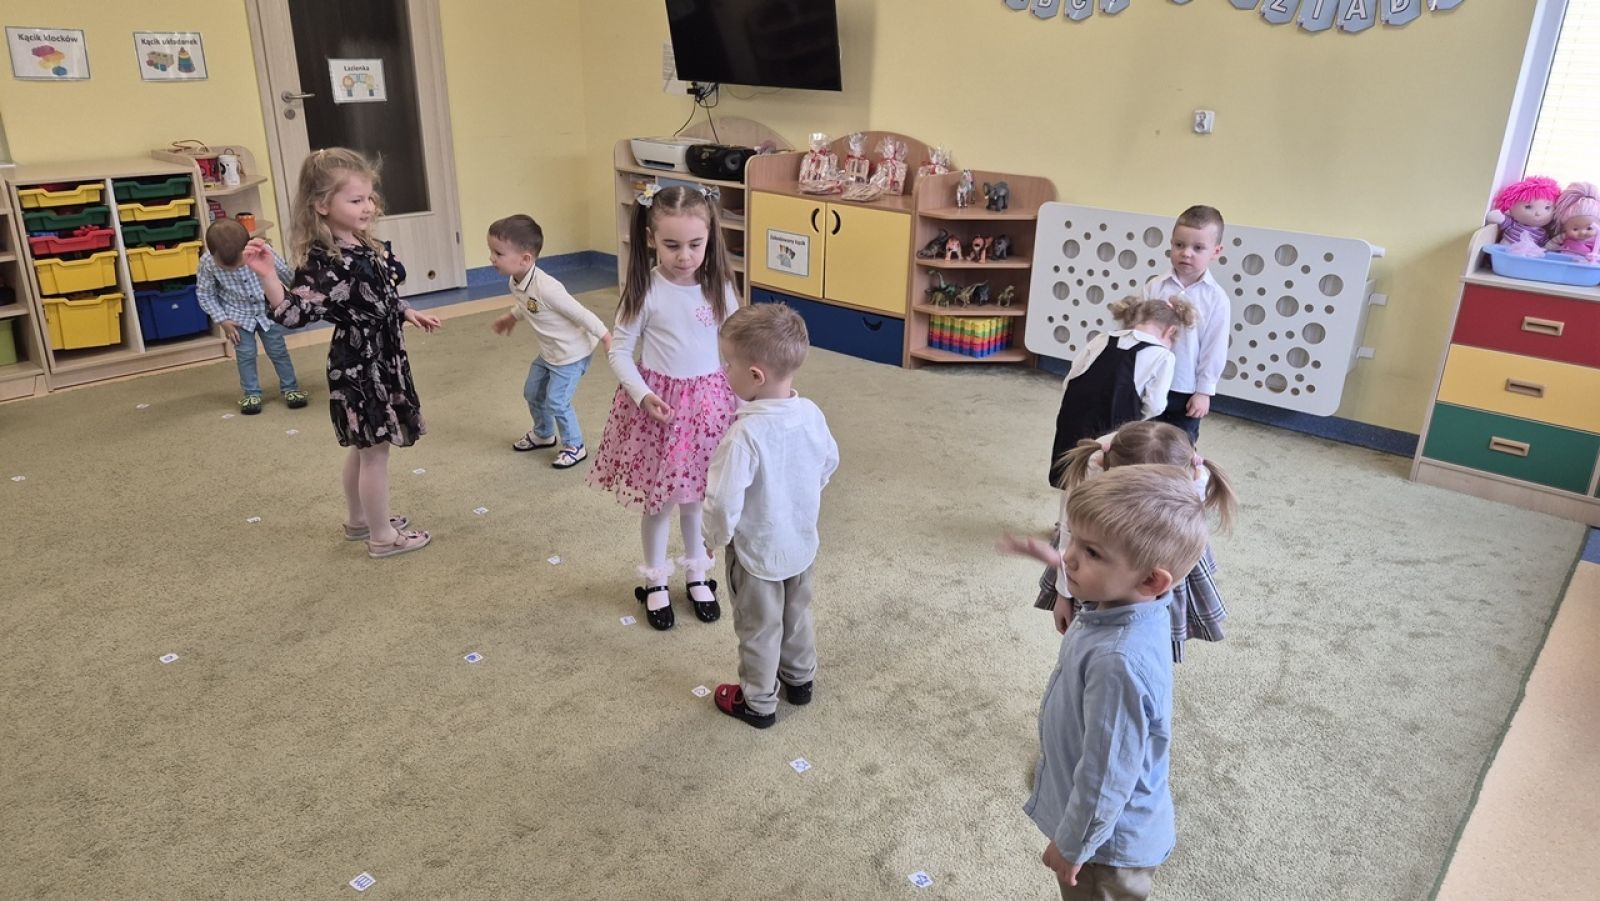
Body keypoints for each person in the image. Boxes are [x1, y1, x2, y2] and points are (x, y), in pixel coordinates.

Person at [1020, 465, 1212, 899]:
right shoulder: (1130, 603)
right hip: (1099, 834)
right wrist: (1073, 560)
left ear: (1150, 579)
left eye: (1091, 552)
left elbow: (1107, 774)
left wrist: (1073, 845)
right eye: (1072, 539)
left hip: (1104, 851)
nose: (1069, 557)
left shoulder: (1117, 661)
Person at [246, 147, 440, 558]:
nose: (368, 207)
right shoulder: (326, 261)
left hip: (381, 358)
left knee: (364, 446)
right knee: (375, 452)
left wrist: (405, 311)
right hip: (362, 366)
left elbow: (378, 293)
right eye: (355, 200)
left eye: (369, 197)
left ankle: (359, 520)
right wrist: (267, 277)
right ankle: (382, 537)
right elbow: (292, 313)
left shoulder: (362, 242)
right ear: (322, 205)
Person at [587, 184, 740, 630]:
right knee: (659, 503)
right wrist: (642, 395)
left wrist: (748, 400)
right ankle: (655, 581)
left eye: (695, 244)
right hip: (660, 411)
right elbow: (619, 351)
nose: (685, 256)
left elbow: (737, 345)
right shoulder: (645, 289)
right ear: (652, 238)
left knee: (696, 500)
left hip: (708, 409)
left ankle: (697, 574)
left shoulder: (719, 287)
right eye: (672, 245)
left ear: (710, 237)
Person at [702, 304, 839, 729]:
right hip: (800, 542)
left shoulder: (743, 435)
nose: (724, 371)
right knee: (796, 614)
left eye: (728, 364)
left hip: (757, 554)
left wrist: (713, 538)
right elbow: (829, 462)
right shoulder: (811, 413)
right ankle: (800, 680)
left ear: (755, 376)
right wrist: (800, 498)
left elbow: (722, 501)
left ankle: (758, 702)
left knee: (759, 627)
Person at [1012, 421, 1237, 662]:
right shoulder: (1095, 466)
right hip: (1105, 554)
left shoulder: (1195, 480)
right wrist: (1063, 593)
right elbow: (1069, 532)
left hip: (1163, 558)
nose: (1068, 558)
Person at [487, 214, 611, 469]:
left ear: (525, 259)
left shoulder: (548, 288)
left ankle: (575, 445)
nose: (492, 258)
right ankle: (544, 434)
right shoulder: (515, 281)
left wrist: (606, 336)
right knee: (532, 392)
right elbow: (528, 304)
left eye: (498, 253)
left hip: (572, 354)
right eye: (492, 251)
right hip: (550, 352)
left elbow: (581, 313)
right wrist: (512, 317)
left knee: (557, 401)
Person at [1046, 296, 1194, 487]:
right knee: (1105, 477)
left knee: (1072, 470)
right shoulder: (1162, 356)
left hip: (1075, 417)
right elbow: (1155, 405)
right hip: (1117, 424)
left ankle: (1067, 505)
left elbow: (1071, 378)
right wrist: (1136, 422)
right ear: (1170, 331)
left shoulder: (1102, 339)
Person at [195, 218, 307, 415]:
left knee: (278, 351)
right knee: (245, 355)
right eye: (226, 266)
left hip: (267, 312)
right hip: (236, 317)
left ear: (246, 247)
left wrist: (302, 295)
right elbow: (206, 294)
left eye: (238, 263)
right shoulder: (207, 263)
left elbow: (286, 273)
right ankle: (252, 393)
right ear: (212, 254)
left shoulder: (263, 251)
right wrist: (222, 320)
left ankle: (290, 388)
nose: (234, 269)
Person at [1142, 205, 1230, 445]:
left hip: (1185, 388)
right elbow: (1139, 333)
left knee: (1179, 444)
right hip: (1149, 380)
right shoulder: (1154, 287)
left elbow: (1214, 348)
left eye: (1198, 248)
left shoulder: (1217, 299)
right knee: (1143, 440)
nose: (1186, 253)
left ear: (1216, 251)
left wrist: (1204, 391)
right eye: (1179, 245)